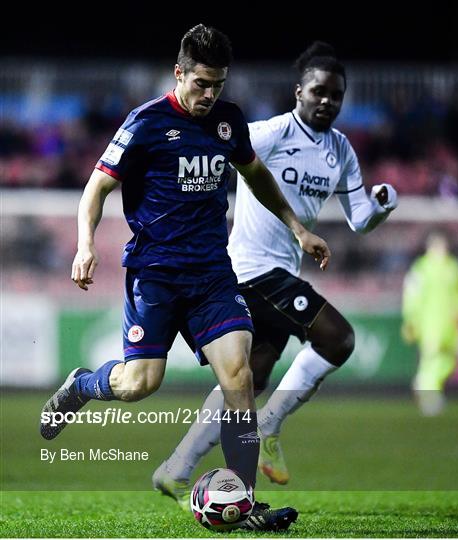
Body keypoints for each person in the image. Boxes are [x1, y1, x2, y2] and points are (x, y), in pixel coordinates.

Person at [39, 24, 332, 532]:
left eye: (217, 84)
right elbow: (95, 189)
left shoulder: (228, 121)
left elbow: (255, 173)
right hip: (154, 276)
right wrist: (86, 247)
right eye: (201, 83)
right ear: (179, 74)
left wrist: (297, 226)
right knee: (139, 384)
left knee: (239, 377)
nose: (209, 94)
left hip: (213, 277)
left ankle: (243, 502)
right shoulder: (146, 123)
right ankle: (81, 387)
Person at [152, 41, 398, 508]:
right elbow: (217, 153)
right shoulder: (269, 133)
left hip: (280, 271)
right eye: (319, 91)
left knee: (249, 379)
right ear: (298, 91)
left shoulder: (341, 150)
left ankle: (177, 466)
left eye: (336, 95)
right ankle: (271, 423)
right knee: (337, 339)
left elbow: (359, 218)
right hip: (250, 269)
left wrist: (383, 205)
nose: (327, 101)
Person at [401, 230, 458, 416]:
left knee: (455, 356)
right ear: (429, 247)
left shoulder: (453, 267)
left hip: (451, 323)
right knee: (431, 360)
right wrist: (411, 320)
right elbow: (412, 296)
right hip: (430, 322)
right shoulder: (421, 268)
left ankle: (422, 383)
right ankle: (429, 398)